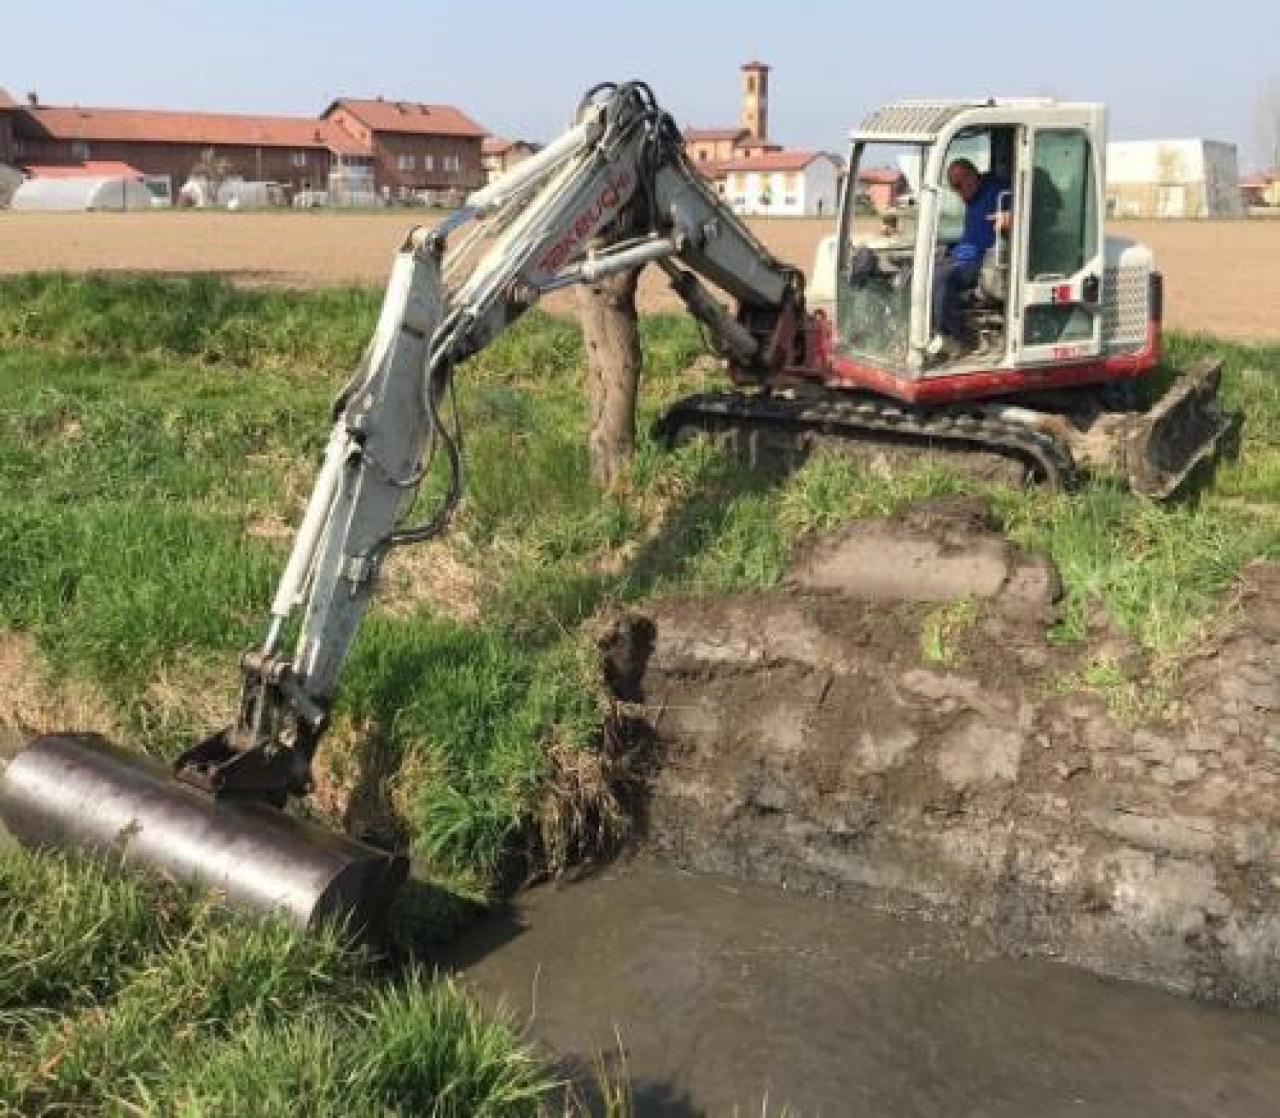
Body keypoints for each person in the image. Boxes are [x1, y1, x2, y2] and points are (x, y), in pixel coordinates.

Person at [930, 157, 1011, 354]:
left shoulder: (998, 190)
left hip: (983, 261)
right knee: (920, 269)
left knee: (939, 277)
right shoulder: (972, 197)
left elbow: (1033, 210)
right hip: (963, 254)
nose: (957, 192)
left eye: (958, 185)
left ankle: (960, 337)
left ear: (972, 176)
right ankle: (927, 329)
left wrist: (1012, 217)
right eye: (953, 187)